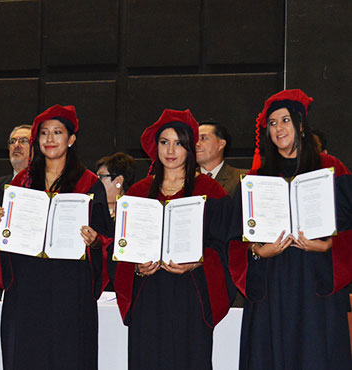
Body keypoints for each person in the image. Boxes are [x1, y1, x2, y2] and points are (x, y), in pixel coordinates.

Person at [228, 89, 352, 370]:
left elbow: (348, 227)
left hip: (316, 281)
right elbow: (236, 238)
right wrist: (259, 251)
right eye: (272, 123)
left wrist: (328, 246)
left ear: (300, 125)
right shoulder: (256, 179)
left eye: (285, 120)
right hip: (273, 283)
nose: (278, 128)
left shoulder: (331, 168)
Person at [0, 104, 113, 370]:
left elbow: (106, 239)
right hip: (26, 286)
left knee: (67, 354)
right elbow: (4, 241)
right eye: (44, 133)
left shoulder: (89, 183)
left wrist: (94, 242)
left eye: (57, 132)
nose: (50, 139)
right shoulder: (21, 182)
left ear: (71, 139)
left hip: (69, 288)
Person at [112, 109, 234, 370]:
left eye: (179, 143)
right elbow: (122, 247)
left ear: (190, 147)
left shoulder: (211, 192)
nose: (171, 150)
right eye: (164, 142)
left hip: (190, 296)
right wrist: (135, 267)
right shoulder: (138, 193)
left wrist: (197, 263)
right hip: (149, 295)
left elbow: (223, 247)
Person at [196, 121, 247, 195]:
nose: (196, 144)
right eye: (195, 139)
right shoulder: (185, 179)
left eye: (203, 138)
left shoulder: (241, 179)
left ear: (221, 144)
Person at [95, 152, 136, 219]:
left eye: (101, 176)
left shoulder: (133, 215)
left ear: (118, 181)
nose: (96, 181)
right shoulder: (91, 213)